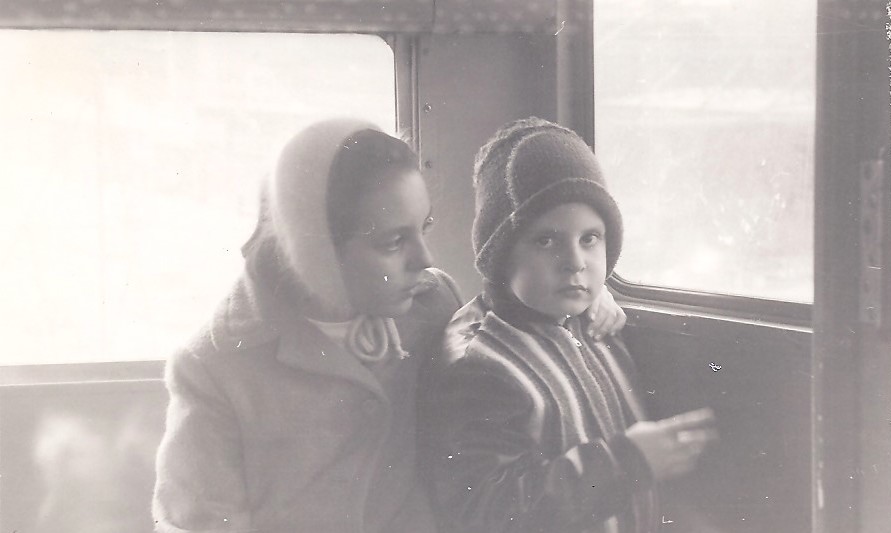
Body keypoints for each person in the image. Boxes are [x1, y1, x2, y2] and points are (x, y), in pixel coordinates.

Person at [152, 118, 626, 533]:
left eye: (424, 228)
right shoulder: (215, 368)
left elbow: (505, 315)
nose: (425, 258)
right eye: (393, 241)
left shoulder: (430, 300)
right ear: (318, 249)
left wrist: (587, 296)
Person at [422, 118, 718, 533]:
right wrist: (627, 461)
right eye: (546, 240)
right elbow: (488, 511)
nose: (575, 262)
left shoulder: (588, 321)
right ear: (500, 253)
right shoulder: (479, 364)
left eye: (590, 239)